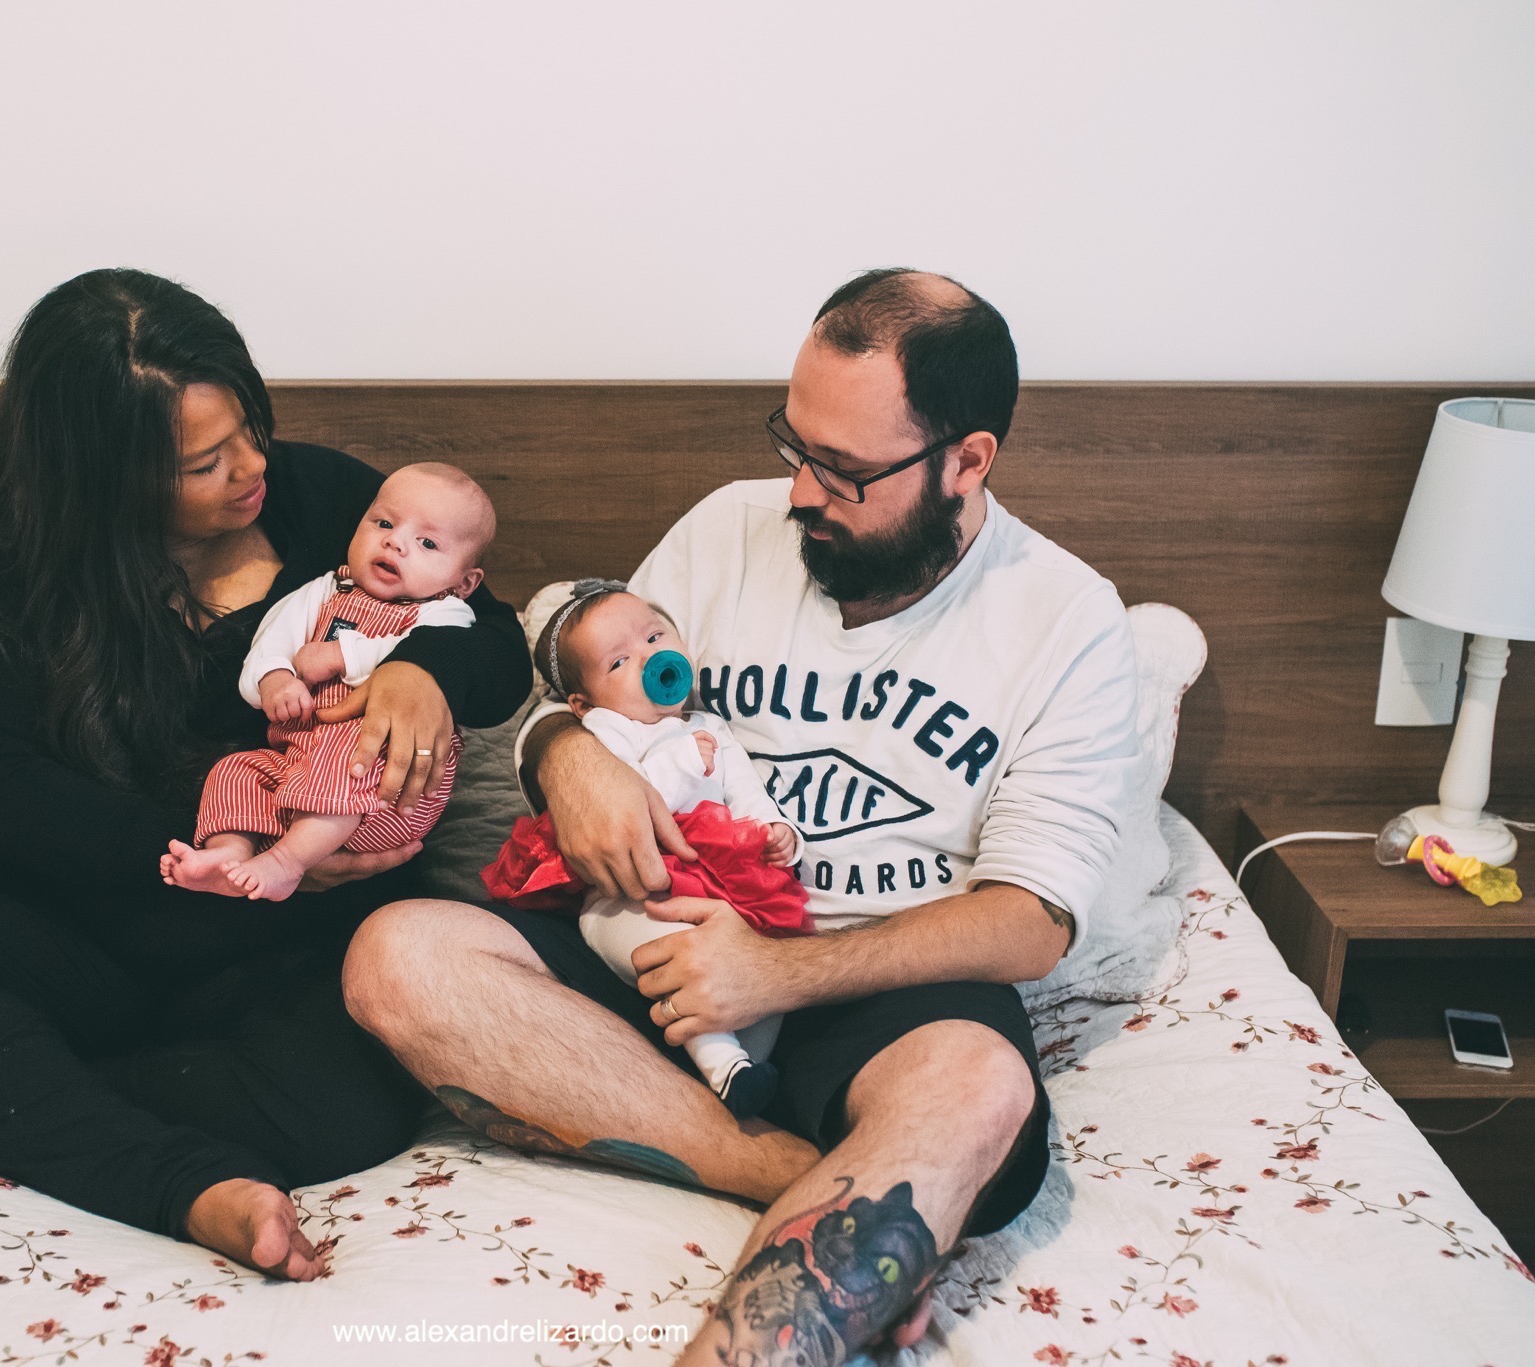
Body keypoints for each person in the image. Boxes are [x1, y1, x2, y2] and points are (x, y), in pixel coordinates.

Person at [344, 268, 1141, 1361]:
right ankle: (817, 1180)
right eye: (793, 445)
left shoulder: (1067, 620)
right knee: (396, 953)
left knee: (977, 1085)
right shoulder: (731, 525)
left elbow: (1031, 918)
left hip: (867, 985)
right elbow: (578, 656)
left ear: (967, 459)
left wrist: (776, 973)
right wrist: (562, 751)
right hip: (646, 936)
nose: (802, 491)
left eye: (845, 470)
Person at [0, 268, 531, 1283]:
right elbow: (1, 798)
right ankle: (173, 1180)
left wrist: (422, 670)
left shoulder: (326, 502)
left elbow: (494, 642)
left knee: (342, 1117)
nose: (248, 469)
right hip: (105, 912)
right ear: (99, 478)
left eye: (248, 430)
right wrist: (217, 843)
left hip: (294, 932)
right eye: (201, 462)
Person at [481, 581, 807, 1118]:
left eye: (656, 637)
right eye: (619, 662)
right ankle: (721, 1062)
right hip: (633, 890)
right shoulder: (609, 729)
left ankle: (747, 1072)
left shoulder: (710, 727)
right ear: (583, 703)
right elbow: (625, 801)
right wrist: (682, 762)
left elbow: (747, 793)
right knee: (670, 948)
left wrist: (777, 833)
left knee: (760, 955)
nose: (650, 658)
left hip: (721, 880)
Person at [163, 463, 495, 902]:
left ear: (464, 582)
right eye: (384, 523)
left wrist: (344, 655)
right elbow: (271, 642)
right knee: (235, 770)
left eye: (428, 543)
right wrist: (275, 679)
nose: (396, 542)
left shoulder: (444, 611)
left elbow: (443, 650)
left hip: (385, 787)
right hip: (295, 766)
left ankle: (285, 862)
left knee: (342, 753)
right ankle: (227, 857)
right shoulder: (325, 590)